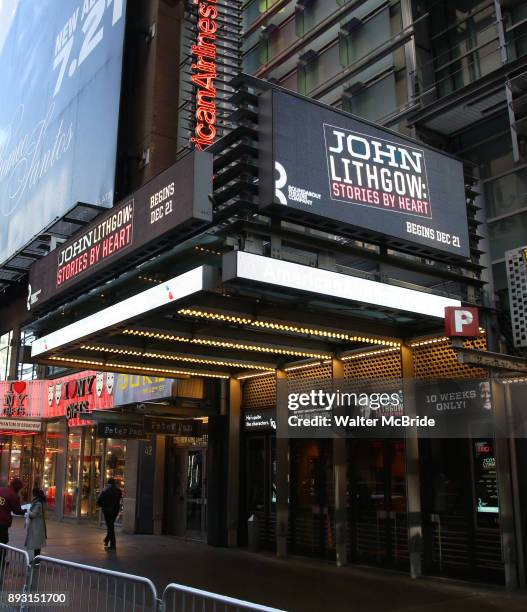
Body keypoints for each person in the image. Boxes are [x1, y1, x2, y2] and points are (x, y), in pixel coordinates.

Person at [0, 478, 25, 578]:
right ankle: (2, 560)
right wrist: (24, 511)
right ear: (18, 488)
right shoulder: (14, 496)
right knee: (3, 542)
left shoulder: (1, 489)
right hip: (2, 523)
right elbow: (17, 511)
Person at [96, 478, 122, 550]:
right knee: (111, 525)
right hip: (115, 511)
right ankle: (107, 540)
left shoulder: (105, 490)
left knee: (110, 527)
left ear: (108, 483)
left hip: (107, 511)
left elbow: (99, 501)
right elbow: (119, 500)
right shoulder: (118, 490)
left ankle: (113, 544)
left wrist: (104, 506)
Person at [25, 488, 47, 560]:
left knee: (37, 543)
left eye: (33, 493)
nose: (32, 495)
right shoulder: (40, 502)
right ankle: (36, 559)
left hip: (37, 525)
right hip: (38, 524)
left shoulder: (38, 503)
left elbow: (33, 515)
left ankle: (36, 560)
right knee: (37, 543)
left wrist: (28, 511)